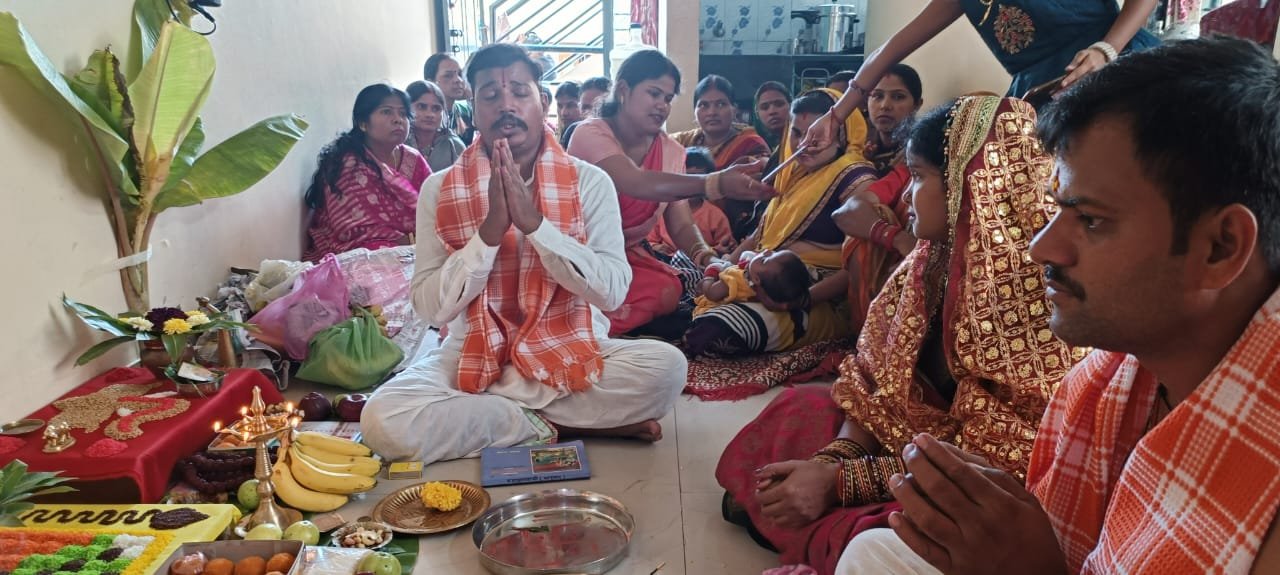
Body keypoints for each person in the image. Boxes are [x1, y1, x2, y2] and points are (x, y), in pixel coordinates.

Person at [836, 36, 1280, 575]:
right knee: (871, 552)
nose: (1039, 247)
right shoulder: (1101, 380)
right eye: (1057, 208)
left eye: (1090, 219)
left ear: (1220, 248)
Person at [717, 95, 1083, 575]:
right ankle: (804, 519)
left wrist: (839, 483)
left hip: (951, 479)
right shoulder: (924, 265)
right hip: (897, 445)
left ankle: (805, 522)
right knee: (801, 405)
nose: (905, 197)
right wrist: (833, 459)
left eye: (919, 177)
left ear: (973, 184)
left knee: (890, 538)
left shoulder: (1034, 301)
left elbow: (996, 463)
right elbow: (869, 382)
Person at [361, 43, 686, 465]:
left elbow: (612, 293)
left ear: (542, 102)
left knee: (666, 368)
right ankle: (560, 424)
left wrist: (536, 226)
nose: (506, 106)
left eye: (519, 91)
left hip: (571, 346)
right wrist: (489, 233)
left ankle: (505, 416)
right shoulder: (439, 189)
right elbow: (431, 309)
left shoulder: (589, 182)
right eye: (490, 95)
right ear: (473, 109)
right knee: (383, 420)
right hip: (471, 353)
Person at [566, 50, 775, 337]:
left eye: (668, 98)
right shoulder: (590, 134)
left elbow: (681, 223)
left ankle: (589, 324)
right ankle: (579, 325)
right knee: (578, 292)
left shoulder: (672, 152)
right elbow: (634, 182)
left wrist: (708, 259)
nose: (662, 105)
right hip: (577, 253)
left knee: (668, 289)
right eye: (654, 93)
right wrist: (715, 183)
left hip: (624, 258)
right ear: (624, 90)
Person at [800, 0, 1160, 155]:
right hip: (1039, 97)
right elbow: (889, 50)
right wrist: (835, 116)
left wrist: (1106, 49)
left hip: (1114, 68)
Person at [683, 88, 874, 357]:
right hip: (758, 274)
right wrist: (722, 266)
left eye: (815, 134)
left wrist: (801, 301)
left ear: (840, 133)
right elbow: (759, 236)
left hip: (815, 297)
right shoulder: (791, 174)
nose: (804, 144)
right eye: (797, 133)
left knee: (718, 329)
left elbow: (861, 264)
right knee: (684, 275)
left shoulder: (856, 180)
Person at [832, 64, 925, 334]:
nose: (885, 105)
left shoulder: (918, 154)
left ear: (917, 104)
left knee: (874, 217)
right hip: (883, 243)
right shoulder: (861, 149)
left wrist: (900, 240)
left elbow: (853, 211)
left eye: (898, 97)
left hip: (911, 247)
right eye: (877, 96)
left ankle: (871, 335)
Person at [303, 84, 430, 262]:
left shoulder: (413, 158)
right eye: (386, 112)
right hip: (361, 248)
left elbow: (435, 203)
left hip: (415, 243)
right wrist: (411, 242)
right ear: (363, 123)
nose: (398, 120)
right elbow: (354, 231)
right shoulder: (347, 164)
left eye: (403, 113)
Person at [647, 148, 735, 256]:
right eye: (687, 177)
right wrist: (656, 247)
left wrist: (716, 250)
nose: (692, 186)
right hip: (667, 260)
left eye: (699, 178)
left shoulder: (715, 215)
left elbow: (726, 246)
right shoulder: (663, 211)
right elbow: (649, 241)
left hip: (701, 261)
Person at [694, 249, 812, 317]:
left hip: (706, 308)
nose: (767, 251)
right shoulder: (765, 292)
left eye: (764, 260)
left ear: (756, 279)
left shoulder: (735, 280)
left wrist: (710, 274)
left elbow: (711, 294)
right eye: (774, 252)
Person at [406, 80, 465, 172]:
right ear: (407, 108)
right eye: (421, 107)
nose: (430, 114)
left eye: (436, 108)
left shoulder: (454, 146)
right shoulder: (397, 142)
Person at [424, 53, 476, 144]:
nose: (458, 80)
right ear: (430, 82)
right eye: (448, 75)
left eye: (460, 74)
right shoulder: (426, 117)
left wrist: (474, 95)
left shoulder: (466, 110)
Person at [560, 76, 612, 148]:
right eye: (585, 108)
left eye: (597, 107)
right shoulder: (572, 133)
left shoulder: (622, 136)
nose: (590, 114)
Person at [755, 81, 793, 156]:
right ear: (757, 114)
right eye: (765, 107)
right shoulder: (753, 146)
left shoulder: (803, 140)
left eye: (779, 104)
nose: (772, 111)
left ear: (791, 106)